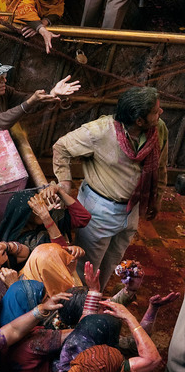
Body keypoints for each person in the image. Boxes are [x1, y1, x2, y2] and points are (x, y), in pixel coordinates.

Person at [52, 86, 168, 290]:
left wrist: (156, 200)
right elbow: (61, 147)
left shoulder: (159, 129)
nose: (161, 113)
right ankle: (80, 307)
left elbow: (160, 167)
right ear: (139, 121)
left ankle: (95, 299)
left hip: (131, 208)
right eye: (156, 111)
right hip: (99, 208)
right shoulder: (99, 131)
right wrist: (65, 183)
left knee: (112, 262)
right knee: (87, 266)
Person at [0, 58, 79, 136]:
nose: (4, 80)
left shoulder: (3, 92)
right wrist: (30, 102)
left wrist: (52, 93)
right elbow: (0, 121)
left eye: (4, 75)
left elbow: (28, 101)